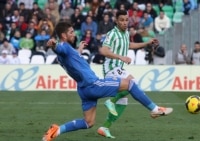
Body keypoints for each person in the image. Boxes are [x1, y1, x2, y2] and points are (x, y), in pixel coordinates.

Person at [42, 21, 173, 141]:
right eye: (70, 32)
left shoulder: (66, 53)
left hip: (83, 90)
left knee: (88, 122)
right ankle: (155, 109)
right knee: (130, 83)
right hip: (93, 84)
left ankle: (57, 130)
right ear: (63, 35)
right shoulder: (63, 47)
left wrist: (80, 49)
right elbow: (59, 48)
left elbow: (71, 56)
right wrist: (54, 44)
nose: (73, 34)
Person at [97, 10, 168, 138]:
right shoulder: (112, 34)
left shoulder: (125, 33)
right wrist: (121, 57)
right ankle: (154, 109)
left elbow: (129, 45)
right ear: (116, 21)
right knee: (132, 84)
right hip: (111, 68)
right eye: (122, 20)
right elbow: (104, 50)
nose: (125, 22)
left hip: (119, 67)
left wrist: (147, 43)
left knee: (123, 102)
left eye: (126, 20)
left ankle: (104, 127)